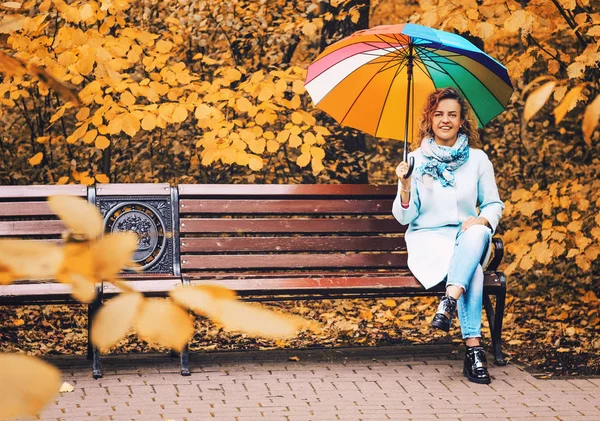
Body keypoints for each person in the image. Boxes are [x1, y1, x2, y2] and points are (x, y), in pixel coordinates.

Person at [392, 87, 504, 385]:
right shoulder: (414, 160)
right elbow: (405, 217)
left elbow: (494, 204)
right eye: (438, 114)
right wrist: (405, 184)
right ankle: (475, 351)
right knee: (473, 273)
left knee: (478, 232)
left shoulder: (478, 159)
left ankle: (448, 302)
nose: (445, 120)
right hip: (429, 239)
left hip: (468, 234)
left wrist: (483, 218)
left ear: (461, 121)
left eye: (452, 115)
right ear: (429, 120)